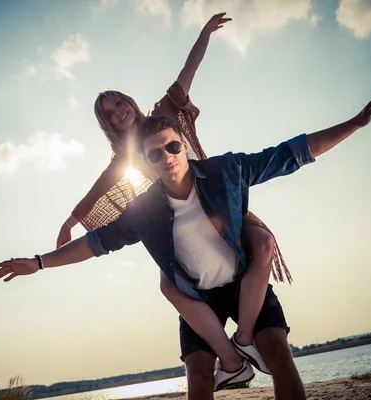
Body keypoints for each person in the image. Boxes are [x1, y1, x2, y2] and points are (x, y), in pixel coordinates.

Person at [0, 83, 371, 399]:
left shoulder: (227, 171)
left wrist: (356, 122)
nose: (166, 156)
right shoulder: (144, 212)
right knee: (198, 379)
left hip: (241, 283)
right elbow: (96, 242)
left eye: (172, 146)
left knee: (278, 352)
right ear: (145, 163)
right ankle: (232, 361)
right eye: (154, 154)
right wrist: (40, 262)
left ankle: (244, 347)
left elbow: (293, 153)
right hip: (196, 297)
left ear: (182, 143)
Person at [55, 12, 291, 385]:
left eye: (120, 102)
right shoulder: (123, 161)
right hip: (186, 221)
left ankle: (244, 342)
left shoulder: (165, 112)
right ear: (109, 125)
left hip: (218, 204)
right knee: (170, 284)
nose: (120, 111)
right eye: (111, 113)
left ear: (129, 102)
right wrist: (70, 222)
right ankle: (229, 357)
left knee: (262, 241)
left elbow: (188, 71)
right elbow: (96, 192)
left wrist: (204, 33)